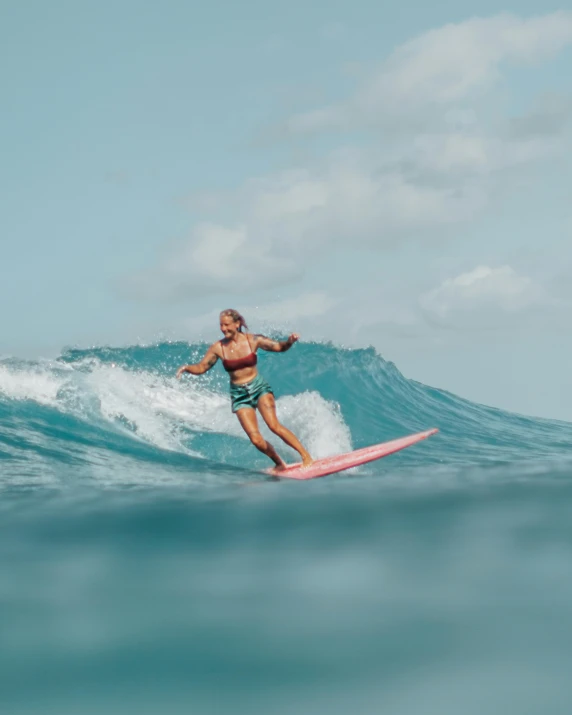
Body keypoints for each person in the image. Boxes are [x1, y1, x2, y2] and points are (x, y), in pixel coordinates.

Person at [176, 309, 313, 470]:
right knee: (256, 439)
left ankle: (306, 457)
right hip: (239, 395)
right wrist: (187, 368)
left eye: (226, 325)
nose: (223, 328)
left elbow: (278, 347)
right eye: (221, 325)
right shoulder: (218, 348)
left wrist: (289, 342)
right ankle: (279, 463)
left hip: (258, 387)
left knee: (274, 426)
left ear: (237, 324)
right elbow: (202, 367)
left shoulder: (252, 340)